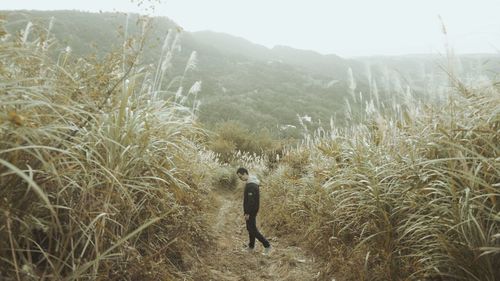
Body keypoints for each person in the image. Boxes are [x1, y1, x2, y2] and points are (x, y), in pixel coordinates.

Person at [236, 167, 272, 255]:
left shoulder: (251, 185)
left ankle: (267, 245)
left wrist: (247, 212)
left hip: (251, 211)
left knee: (252, 229)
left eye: (240, 177)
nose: (240, 179)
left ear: (245, 173)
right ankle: (251, 247)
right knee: (250, 228)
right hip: (253, 210)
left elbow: (251, 201)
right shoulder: (251, 182)